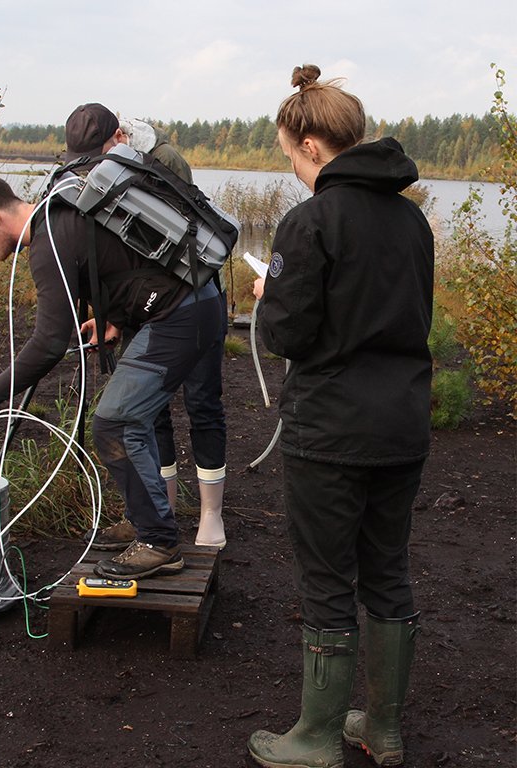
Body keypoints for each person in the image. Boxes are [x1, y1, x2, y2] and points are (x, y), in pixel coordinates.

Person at [0, 105, 224, 581]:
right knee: (127, 416)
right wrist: (110, 319)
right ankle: (148, 521)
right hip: (191, 304)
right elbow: (115, 260)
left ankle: (158, 542)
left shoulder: (49, 234)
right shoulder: (62, 210)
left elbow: (49, 342)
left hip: (183, 316)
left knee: (115, 420)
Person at [246, 65, 434, 768]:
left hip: (331, 432)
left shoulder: (312, 218)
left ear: (313, 146)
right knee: (388, 569)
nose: (292, 167)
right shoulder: (412, 219)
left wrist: (274, 288)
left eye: (289, 154)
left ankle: (318, 737)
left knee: (327, 579)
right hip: (402, 425)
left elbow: (290, 336)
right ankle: (381, 728)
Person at [70, 108, 229, 551]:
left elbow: (178, 245)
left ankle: (211, 513)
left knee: (203, 404)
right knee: (148, 413)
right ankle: (163, 509)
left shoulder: (162, 162)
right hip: (150, 311)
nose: (91, 167)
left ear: (119, 136)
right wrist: (118, 319)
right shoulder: (104, 175)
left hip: (194, 298)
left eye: (97, 155)